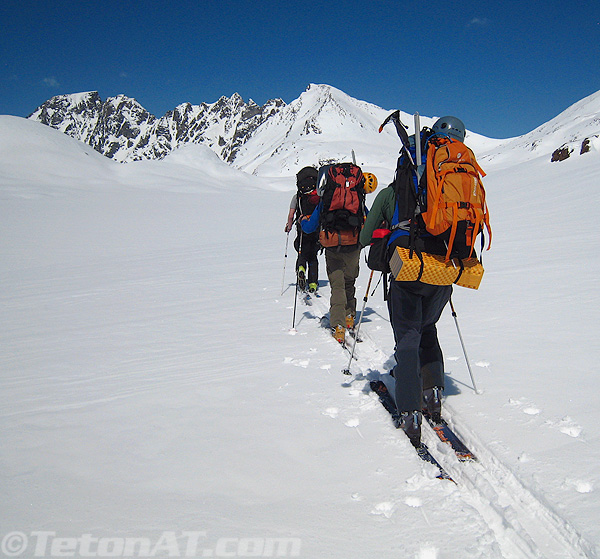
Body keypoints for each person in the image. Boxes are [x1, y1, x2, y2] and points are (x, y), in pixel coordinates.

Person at [359, 116, 469, 447]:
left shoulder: (391, 194)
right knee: (428, 329)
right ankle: (433, 392)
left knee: (407, 338)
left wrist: (385, 230)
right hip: (445, 268)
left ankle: (410, 413)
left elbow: (365, 237)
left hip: (408, 270)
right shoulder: (456, 181)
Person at [301, 165, 376, 344]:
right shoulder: (357, 197)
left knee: (337, 286)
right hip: (353, 244)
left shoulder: (326, 198)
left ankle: (339, 326)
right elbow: (368, 218)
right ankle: (350, 316)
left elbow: (310, 227)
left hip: (332, 244)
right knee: (349, 281)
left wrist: (303, 221)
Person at [285, 167, 320, 293]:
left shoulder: (297, 197)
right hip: (316, 230)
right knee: (313, 256)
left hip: (302, 229)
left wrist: (289, 226)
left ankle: (301, 268)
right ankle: (313, 284)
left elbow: (291, 215)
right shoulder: (318, 196)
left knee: (302, 252)